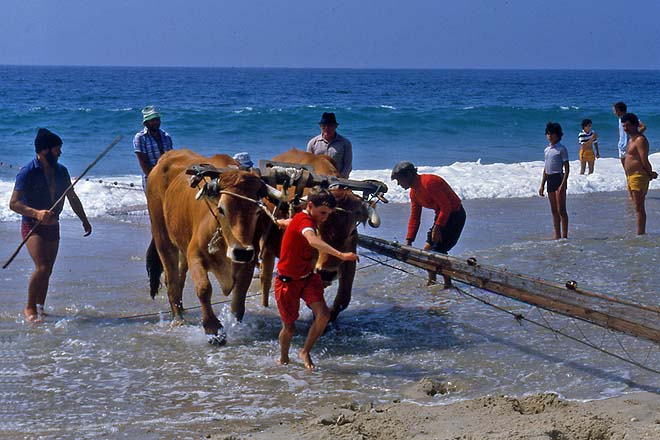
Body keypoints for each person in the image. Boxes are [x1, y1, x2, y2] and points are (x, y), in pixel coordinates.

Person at [9, 128, 92, 323]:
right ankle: (29, 307)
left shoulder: (61, 171)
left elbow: (71, 197)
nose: (60, 153)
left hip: (53, 225)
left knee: (49, 269)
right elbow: (14, 204)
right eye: (57, 150)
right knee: (42, 266)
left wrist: (84, 219)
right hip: (32, 225)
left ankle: (40, 307)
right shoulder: (27, 172)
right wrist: (36, 213)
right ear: (44, 151)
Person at [274, 187, 358, 370]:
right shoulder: (305, 222)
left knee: (324, 315)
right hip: (287, 281)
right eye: (323, 213)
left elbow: (295, 223)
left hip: (307, 278)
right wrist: (341, 255)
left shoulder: (304, 219)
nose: (325, 217)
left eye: (328, 214)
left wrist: (284, 222)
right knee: (289, 328)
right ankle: (283, 358)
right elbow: (311, 239)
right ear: (310, 205)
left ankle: (305, 351)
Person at [391, 161, 466, 288]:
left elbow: (446, 206)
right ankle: (432, 281)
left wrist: (438, 227)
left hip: (455, 215)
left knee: (438, 251)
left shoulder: (429, 182)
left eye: (399, 180)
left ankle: (448, 284)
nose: (399, 184)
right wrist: (409, 241)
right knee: (426, 251)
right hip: (441, 216)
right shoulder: (413, 193)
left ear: (409, 175)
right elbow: (415, 217)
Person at [621, 113, 658, 235]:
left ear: (635, 125)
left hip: (638, 176)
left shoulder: (640, 140)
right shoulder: (631, 139)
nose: (626, 128)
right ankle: (639, 232)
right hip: (631, 177)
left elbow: (644, 159)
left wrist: (650, 173)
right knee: (636, 206)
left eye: (628, 126)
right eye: (624, 126)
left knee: (639, 207)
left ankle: (640, 234)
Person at [539, 122, 569, 240]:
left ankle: (565, 236)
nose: (550, 136)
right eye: (548, 133)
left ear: (558, 135)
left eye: (552, 134)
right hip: (550, 179)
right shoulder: (546, 150)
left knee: (561, 210)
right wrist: (542, 184)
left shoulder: (561, 149)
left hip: (559, 178)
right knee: (554, 210)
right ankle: (557, 235)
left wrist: (563, 184)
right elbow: (546, 168)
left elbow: (567, 169)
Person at [133, 105, 174, 191]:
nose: (156, 122)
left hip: (167, 177)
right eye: (153, 120)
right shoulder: (140, 137)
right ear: (146, 123)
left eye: (157, 120)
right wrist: (155, 179)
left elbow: (171, 158)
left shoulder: (166, 136)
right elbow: (143, 162)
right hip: (151, 178)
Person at [306, 112, 353, 178]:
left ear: (335, 126)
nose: (326, 128)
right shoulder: (312, 143)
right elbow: (308, 164)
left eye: (330, 125)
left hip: (338, 180)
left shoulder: (345, 143)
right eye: (324, 125)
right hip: (318, 179)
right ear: (320, 126)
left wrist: (341, 179)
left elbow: (347, 165)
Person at [613, 101, 646, 169]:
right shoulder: (620, 119)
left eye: (615, 110)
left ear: (618, 110)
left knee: (632, 168)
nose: (614, 113)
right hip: (621, 146)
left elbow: (643, 126)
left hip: (629, 146)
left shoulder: (629, 118)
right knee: (626, 169)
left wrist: (635, 137)